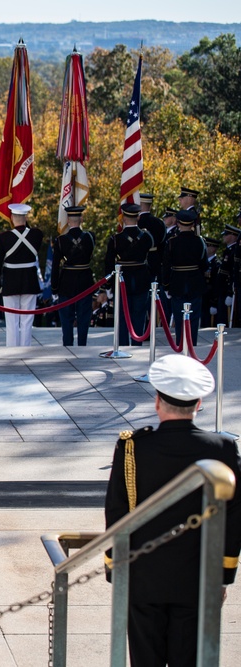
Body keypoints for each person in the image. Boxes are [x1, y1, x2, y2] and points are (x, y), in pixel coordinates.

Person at [104, 354, 241, 667]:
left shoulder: (133, 447)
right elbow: (234, 517)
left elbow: (117, 512)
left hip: (142, 576)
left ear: (157, 402)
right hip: (198, 575)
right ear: (199, 404)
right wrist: (223, 574)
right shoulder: (222, 449)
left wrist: (116, 566)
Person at [0, 203, 43, 346]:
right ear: (26, 218)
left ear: (12, 218)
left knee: (11, 320)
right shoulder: (37, 235)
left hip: (11, 281)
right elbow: (31, 232)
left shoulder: (4, 238)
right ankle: (25, 347)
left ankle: (12, 348)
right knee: (27, 319)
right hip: (29, 280)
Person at [105, 203, 154, 347]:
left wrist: (108, 285)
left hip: (122, 281)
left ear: (124, 218)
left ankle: (123, 346)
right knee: (139, 316)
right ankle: (137, 345)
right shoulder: (146, 237)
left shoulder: (116, 239)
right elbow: (152, 259)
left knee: (122, 317)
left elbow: (108, 263)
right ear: (138, 217)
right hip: (141, 281)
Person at [161, 209, 207, 348]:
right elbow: (204, 265)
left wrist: (166, 285)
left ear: (178, 224)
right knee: (193, 317)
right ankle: (192, 345)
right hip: (195, 283)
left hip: (177, 283)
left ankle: (180, 344)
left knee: (179, 317)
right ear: (192, 224)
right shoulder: (199, 241)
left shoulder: (172, 242)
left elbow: (166, 266)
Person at [51, 206, 96, 346]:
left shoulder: (60, 240)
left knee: (66, 318)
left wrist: (54, 287)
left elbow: (55, 266)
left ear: (68, 221)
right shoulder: (90, 237)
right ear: (81, 219)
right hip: (85, 281)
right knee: (84, 318)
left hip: (67, 282)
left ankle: (68, 346)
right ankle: (82, 345)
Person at [137, 193, 166, 281]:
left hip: (139, 263)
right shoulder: (160, 223)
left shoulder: (135, 222)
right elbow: (163, 244)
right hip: (156, 263)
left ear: (140, 204)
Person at [215, 223, 239, 327]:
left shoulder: (234, 251)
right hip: (222, 289)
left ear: (233, 236)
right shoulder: (228, 251)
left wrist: (230, 292)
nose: (224, 236)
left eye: (226, 234)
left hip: (228, 289)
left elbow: (234, 272)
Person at [202, 236, 221, 329]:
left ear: (213, 248)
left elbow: (216, 285)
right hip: (202, 297)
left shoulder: (216, 265)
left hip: (210, 299)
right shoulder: (203, 263)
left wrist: (214, 303)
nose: (204, 248)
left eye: (207, 246)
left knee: (208, 325)